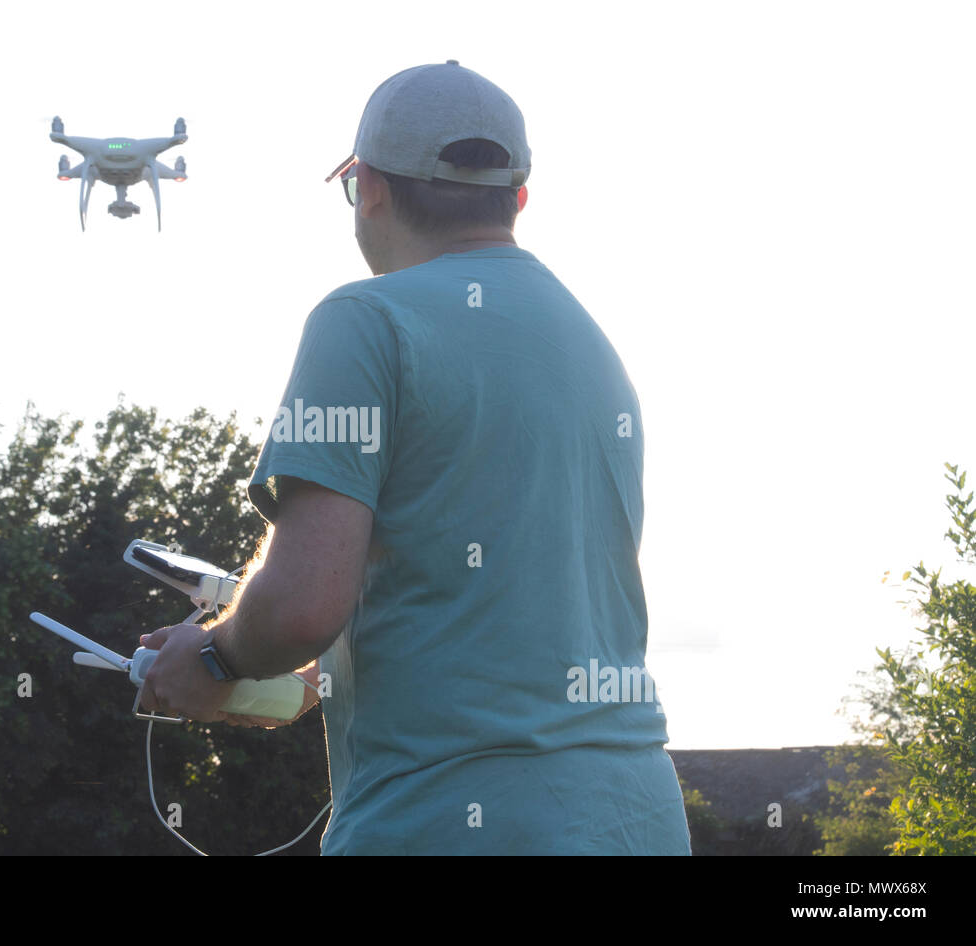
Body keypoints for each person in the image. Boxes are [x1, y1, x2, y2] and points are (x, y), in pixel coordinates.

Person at [139, 60, 692, 855]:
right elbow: (502, 617)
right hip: (635, 818)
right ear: (517, 200)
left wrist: (216, 655)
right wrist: (316, 683)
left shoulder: (363, 320)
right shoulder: (592, 347)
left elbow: (300, 605)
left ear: (369, 188)